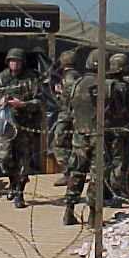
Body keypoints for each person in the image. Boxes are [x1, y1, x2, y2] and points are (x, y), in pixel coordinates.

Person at [63, 49, 123, 226]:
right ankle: (93, 216)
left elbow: (68, 108)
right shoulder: (107, 85)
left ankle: (69, 211)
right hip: (100, 136)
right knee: (97, 176)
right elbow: (116, 112)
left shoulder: (77, 83)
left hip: (79, 135)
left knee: (76, 172)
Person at [0, 47, 41, 209]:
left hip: (26, 125)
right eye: (12, 61)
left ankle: (20, 192)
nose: (14, 64)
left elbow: (40, 101)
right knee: (5, 158)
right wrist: (0, 103)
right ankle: (13, 182)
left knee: (24, 160)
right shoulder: (1, 78)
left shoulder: (31, 79)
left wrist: (23, 104)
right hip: (6, 125)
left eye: (17, 61)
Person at [107, 53, 129, 199]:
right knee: (122, 160)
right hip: (123, 128)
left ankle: (109, 191)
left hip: (106, 129)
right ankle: (119, 191)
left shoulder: (103, 85)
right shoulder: (127, 87)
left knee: (107, 160)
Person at [50, 50, 81, 187]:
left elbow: (71, 96)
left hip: (68, 114)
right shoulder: (77, 76)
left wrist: (60, 92)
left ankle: (69, 172)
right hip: (75, 115)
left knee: (59, 143)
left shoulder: (69, 77)